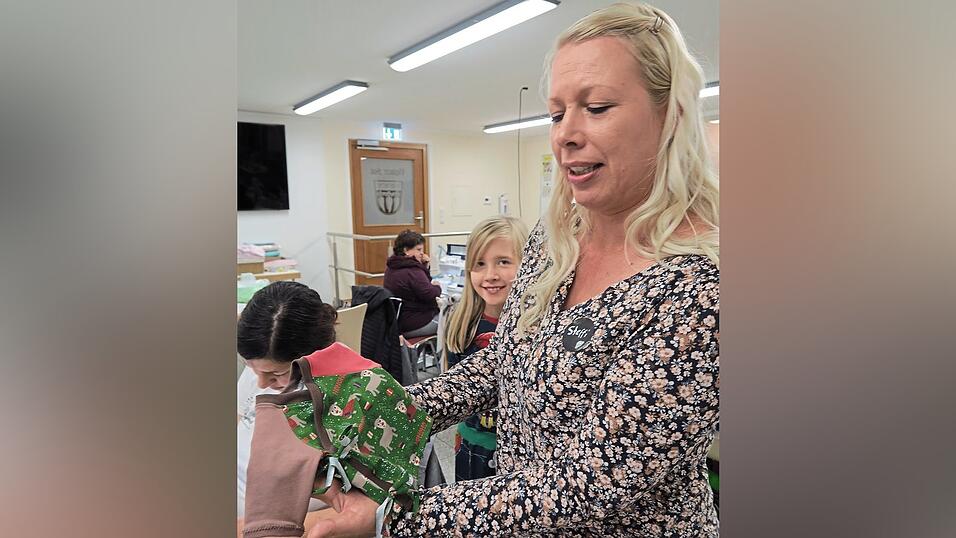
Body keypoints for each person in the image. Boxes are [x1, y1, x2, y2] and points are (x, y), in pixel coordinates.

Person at [308, 3, 720, 536]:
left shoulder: (700, 287)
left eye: (596, 107)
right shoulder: (556, 243)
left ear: (671, 117)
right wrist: (394, 411)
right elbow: (503, 364)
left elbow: (591, 487)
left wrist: (392, 519)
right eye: (556, 114)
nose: (565, 134)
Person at [236, 281, 339, 534]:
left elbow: (362, 510)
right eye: (252, 368)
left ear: (317, 358)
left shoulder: (343, 402)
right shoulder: (261, 369)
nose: (262, 383)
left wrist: (249, 529)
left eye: (277, 374)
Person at [443, 216, 529, 483]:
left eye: (503, 262)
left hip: (522, 453)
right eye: (479, 264)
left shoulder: (536, 326)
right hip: (472, 444)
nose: (490, 275)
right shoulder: (461, 324)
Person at [383, 229, 441, 337]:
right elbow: (431, 295)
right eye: (418, 249)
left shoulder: (392, 266)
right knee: (453, 321)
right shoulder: (413, 270)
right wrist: (438, 287)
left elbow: (418, 286)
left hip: (397, 321)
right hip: (415, 322)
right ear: (406, 250)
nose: (422, 253)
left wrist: (424, 266)